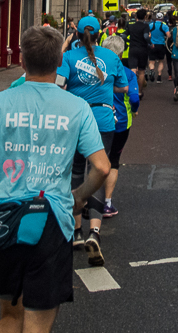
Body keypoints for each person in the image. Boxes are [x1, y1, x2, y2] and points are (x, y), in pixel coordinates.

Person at [0, 26, 109, 333]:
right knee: (37, 321)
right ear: (59, 63)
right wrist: (78, 197)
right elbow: (101, 167)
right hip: (51, 218)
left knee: (9, 315)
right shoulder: (77, 107)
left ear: (22, 61)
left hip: (1, 219)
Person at [59, 15, 127, 265]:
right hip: (103, 120)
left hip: (76, 118)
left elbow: (59, 85)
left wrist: (65, 50)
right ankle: (94, 232)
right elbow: (123, 87)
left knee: (75, 173)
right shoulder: (111, 58)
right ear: (100, 35)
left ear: (77, 35)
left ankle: (76, 231)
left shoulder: (68, 57)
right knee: (97, 173)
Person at [101, 34, 140, 217]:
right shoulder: (128, 74)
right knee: (114, 161)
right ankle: (106, 202)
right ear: (121, 53)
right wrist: (135, 108)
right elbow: (133, 97)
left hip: (97, 120)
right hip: (121, 123)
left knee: (93, 160)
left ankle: (86, 198)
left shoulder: (95, 70)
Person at [124, 9, 151, 97]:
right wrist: (150, 43)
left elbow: (123, 35)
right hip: (143, 50)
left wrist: (129, 40)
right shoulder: (145, 26)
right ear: (145, 17)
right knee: (142, 71)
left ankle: (132, 89)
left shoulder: (131, 26)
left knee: (132, 69)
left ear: (136, 17)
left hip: (133, 49)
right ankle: (139, 92)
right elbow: (146, 36)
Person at [147, 12, 170, 83]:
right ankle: (159, 77)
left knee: (151, 61)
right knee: (161, 61)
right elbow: (169, 35)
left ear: (156, 18)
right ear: (162, 18)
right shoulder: (165, 26)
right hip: (161, 45)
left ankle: (151, 70)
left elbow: (147, 34)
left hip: (152, 45)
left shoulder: (150, 25)